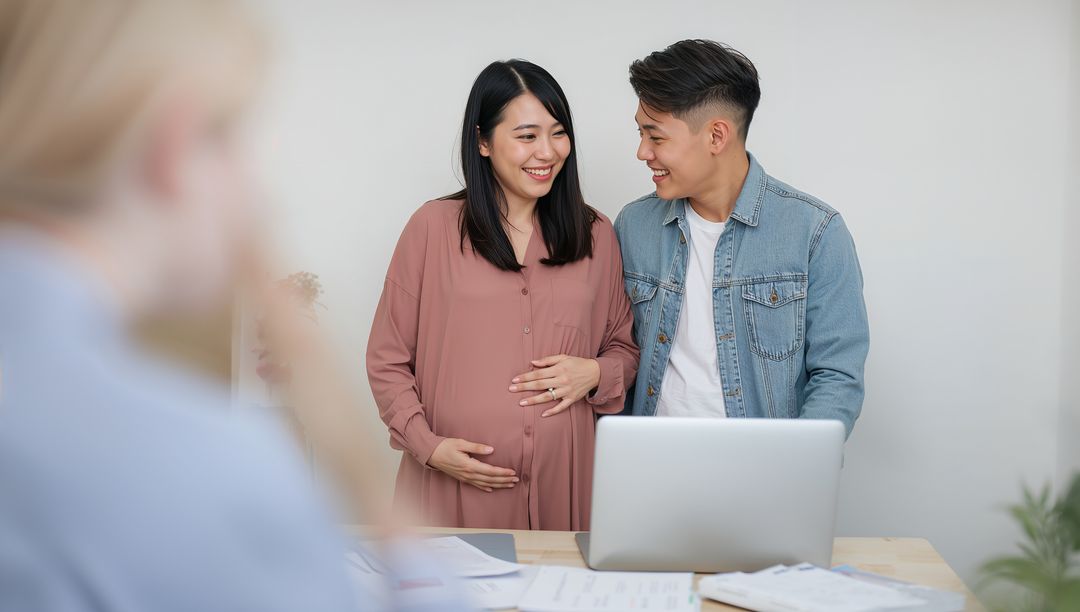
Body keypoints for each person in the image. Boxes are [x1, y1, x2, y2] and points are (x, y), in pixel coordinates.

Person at [0, 2, 470, 610]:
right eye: (231, 138)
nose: (253, 187)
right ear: (173, 145)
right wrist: (378, 502)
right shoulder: (200, 465)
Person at [367, 60, 639, 530]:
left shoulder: (596, 234)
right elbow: (386, 359)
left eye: (558, 133)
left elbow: (624, 349)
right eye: (527, 136)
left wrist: (595, 372)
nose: (548, 151)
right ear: (483, 141)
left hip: (564, 487)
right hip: (453, 490)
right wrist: (428, 447)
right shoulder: (431, 229)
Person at [614, 40, 869, 436]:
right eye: (641, 134)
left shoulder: (815, 232)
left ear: (716, 136)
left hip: (768, 472)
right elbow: (616, 350)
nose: (642, 151)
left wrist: (797, 463)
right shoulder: (633, 226)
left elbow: (837, 375)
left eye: (656, 137)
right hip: (651, 465)